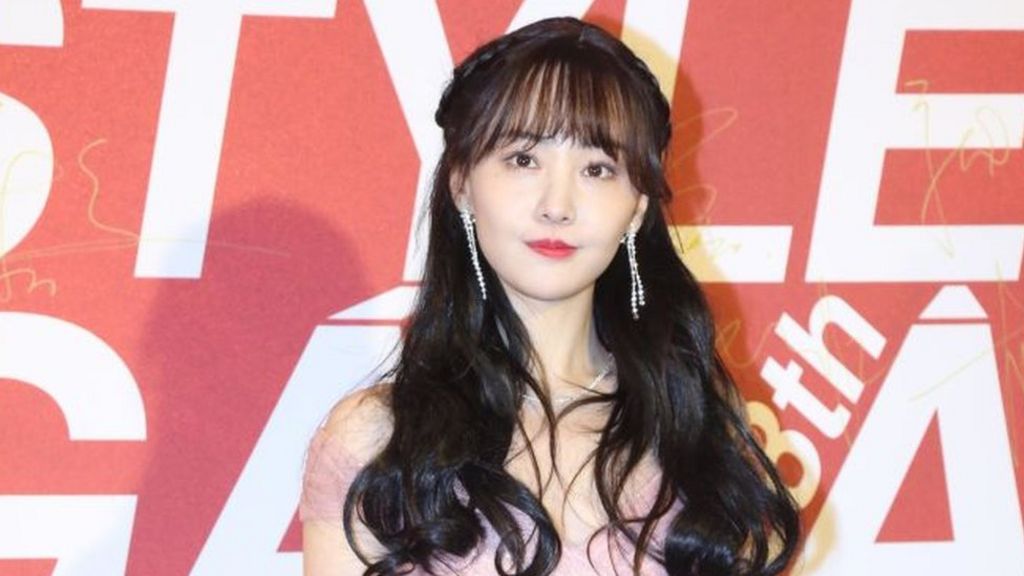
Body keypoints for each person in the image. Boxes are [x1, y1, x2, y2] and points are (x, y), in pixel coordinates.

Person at [301, 16, 801, 576]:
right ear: (462, 183)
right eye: (524, 159)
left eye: (597, 169)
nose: (557, 205)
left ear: (636, 208)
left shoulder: (694, 434)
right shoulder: (378, 441)